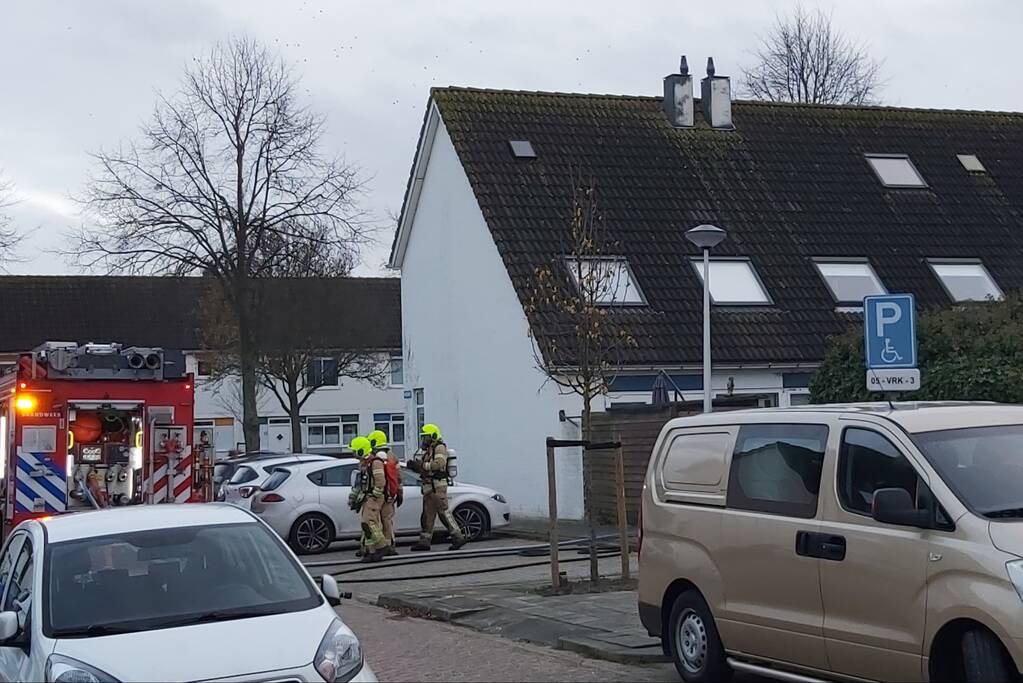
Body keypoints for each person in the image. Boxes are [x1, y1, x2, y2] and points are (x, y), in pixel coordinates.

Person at [407, 424, 466, 552]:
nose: (424, 440)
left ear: (433, 436)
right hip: (429, 487)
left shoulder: (439, 448)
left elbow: (439, 464)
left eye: (426, 437)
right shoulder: (430, 449)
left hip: (437, 486)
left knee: (443, 512)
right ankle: (424, 542)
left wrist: (422, 465)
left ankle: (458, 537)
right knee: (427, 516)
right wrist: (415, 467)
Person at [349, 436, 388, 562]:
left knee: (369, 522)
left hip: (374, 497)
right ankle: (371, 552)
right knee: (365, 524)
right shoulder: (363, 464)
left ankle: (381, 546)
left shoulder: (375, 463)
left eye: (354, 451)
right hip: (367, 497)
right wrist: (353, 498)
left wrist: (374, 496)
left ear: (361, 450)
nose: (353, 453)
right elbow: (359, 484)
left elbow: (380, 482)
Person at [368, 429, 402, 556]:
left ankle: (373, 547)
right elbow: (398, 477)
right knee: (387, 520)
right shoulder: (392, 456)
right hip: (389, 495)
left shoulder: (374, 458)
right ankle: (390, 545)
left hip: (378, 494)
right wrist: (399, 492)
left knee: (372, 520)